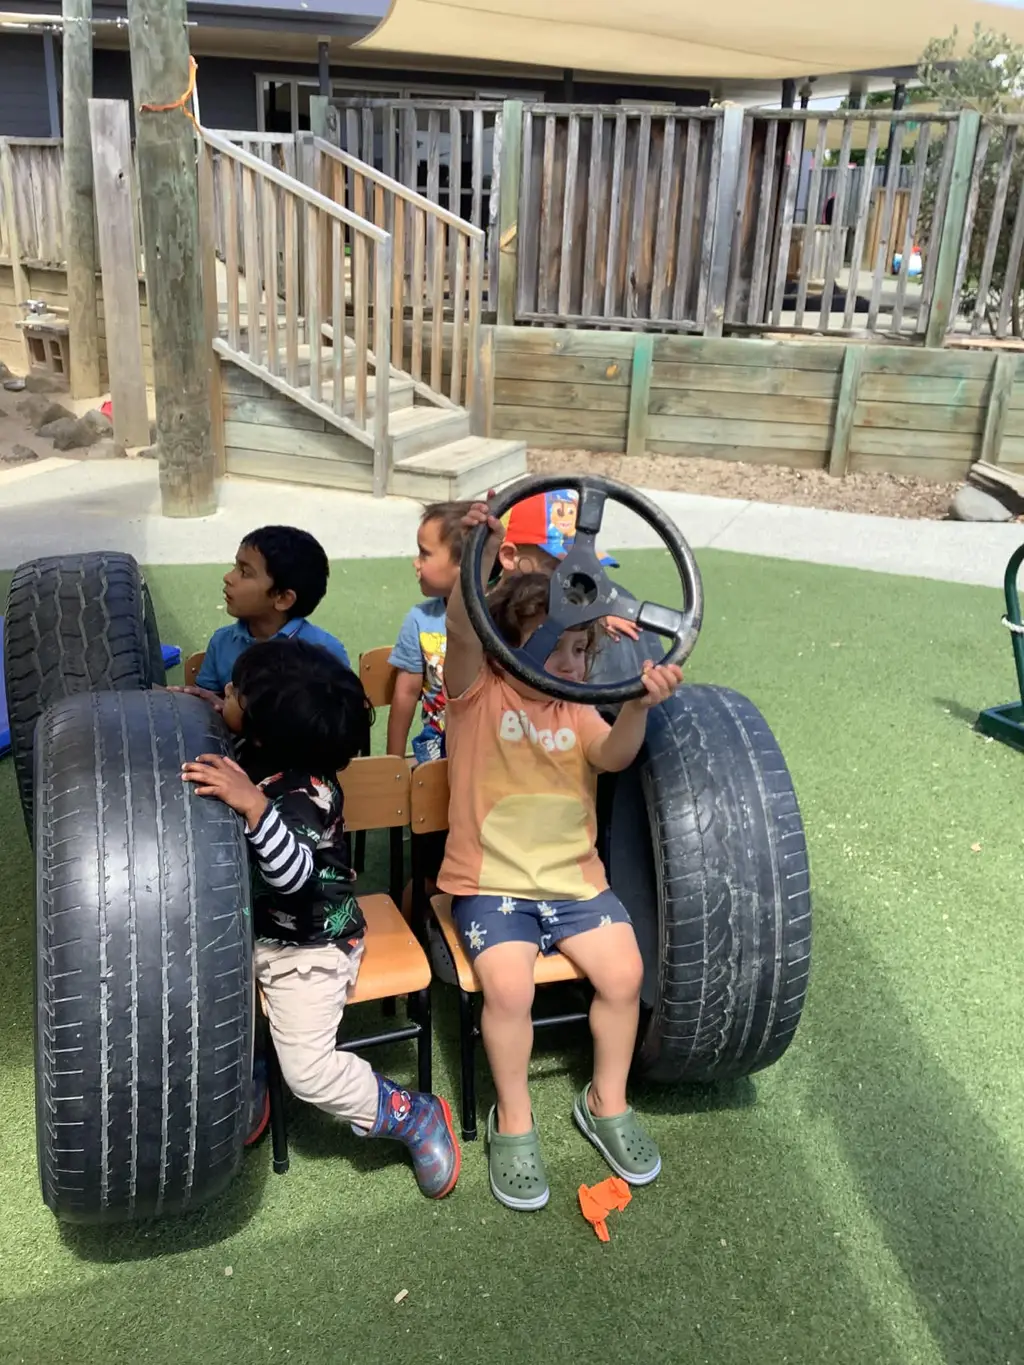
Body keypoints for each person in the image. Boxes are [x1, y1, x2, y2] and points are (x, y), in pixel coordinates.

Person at [438, 503, 683, 1212]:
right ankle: (513, 1115)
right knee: (509, 989)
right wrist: (478, 549)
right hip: (491, 884)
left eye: (583, 652)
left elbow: (612, 755)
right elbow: (461, 625)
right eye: (563, 650)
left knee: (625, 970)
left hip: (575, 884)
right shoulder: (475, 694)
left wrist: (634, 705)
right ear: (514, 643)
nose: (578, 665)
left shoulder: (577, 710)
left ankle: (606, 1098)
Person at [181, 637, 460, 1200]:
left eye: (233, 691)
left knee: (306, 1071)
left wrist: (255, 810)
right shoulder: (266, 747)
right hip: (250, 929)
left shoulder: (301, 797)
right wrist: (211, 710)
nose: (223, 693)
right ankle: (253, 1069)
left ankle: (409, 1113)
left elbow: (297, 880)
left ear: (264, 733)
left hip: (306, 947)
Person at [497, 488, 664, 693]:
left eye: (581, 569)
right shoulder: (476, 615)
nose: (573, 581)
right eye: (557, 568)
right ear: (508, 556)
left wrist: (595, 610)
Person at [174, 526, 350, 706]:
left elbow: (338, 725)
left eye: (245, 572)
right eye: (234, 567)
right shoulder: (222, 642)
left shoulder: (326, 652)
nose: (228, 577)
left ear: (282, 598)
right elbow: (205, 709)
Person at [387, 501, 470, 764]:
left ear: (465, 563)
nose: (416, 563)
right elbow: (406, 694)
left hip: (489, 743)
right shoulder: (420, 620)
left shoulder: (501, 618)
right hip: (437, 747)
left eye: (425, 553)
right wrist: (394, 764)